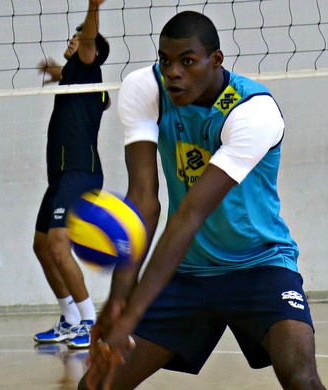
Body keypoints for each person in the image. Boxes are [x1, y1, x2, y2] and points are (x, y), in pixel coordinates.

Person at [80, 10, 325, 389]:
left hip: (259, 266)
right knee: (98, 383)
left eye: (187, 61)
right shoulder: (145, 88)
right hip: (188, 274)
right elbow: (143, 202)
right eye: (165, 60)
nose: (172, 72)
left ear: (216, 60)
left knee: (303, 380)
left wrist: (128, 321)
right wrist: (117, 303)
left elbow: (189, 216)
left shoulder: (253, 111)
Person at [33, 0, 111, 350]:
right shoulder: (74, 78)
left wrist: (92, 8)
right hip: (60, 177)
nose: (73, 41)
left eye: (78, 39)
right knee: (41, 246)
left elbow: (91, 40)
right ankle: (70, 319)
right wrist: (57, 73)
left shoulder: (88, 70)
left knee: (58, 244)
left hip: (80, 173)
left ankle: (89, 321)